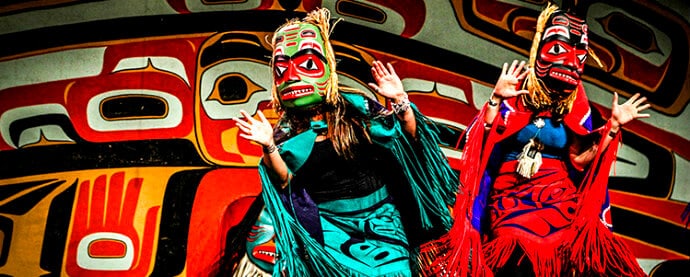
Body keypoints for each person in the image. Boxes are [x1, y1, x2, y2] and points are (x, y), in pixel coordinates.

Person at [218, 7, 457, 276]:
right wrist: (268, 145)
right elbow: (284, 181)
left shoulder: (357, 108)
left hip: (381, 220)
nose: (292, 76)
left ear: (326, 67)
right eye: (282, 68)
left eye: (306, 64)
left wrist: (401, 101)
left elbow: (406, 139)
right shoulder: (287, 130)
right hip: (328, 226)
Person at [420, 3, 650, 277]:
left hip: (558, 196)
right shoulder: (516, 91)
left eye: (580, 54)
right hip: (511, 194)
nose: (571, 61)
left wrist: (612, 128)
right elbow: (481, 141)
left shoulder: (577, 102)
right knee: (517, 249)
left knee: (569, 253)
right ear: (539, 47)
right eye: (558, 49)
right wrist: (495, 99)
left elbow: (580, 159)